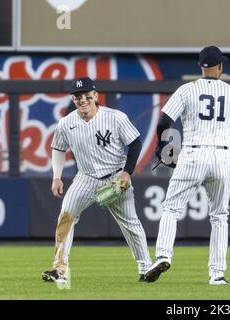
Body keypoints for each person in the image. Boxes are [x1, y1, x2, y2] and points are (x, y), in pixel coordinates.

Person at [144, 46, 230, 285]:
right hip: (221, 158)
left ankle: (163, 255)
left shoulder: (187, 90)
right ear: (220, 67)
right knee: (219, 216)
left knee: (171, 209)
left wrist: (162, 146)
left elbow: (164, 122)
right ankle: (217, 274)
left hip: (192, 154)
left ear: (201, 67)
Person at [42, 77, 152, 286]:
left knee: (130, 224)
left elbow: (135, 143)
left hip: (115, 177)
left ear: (96, 95)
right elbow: (58, 149)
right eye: (77, 96)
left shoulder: (115, 117)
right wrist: (56, 177)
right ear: (73, 99)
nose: (82, 99)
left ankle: (145, 266)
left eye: (86, 95)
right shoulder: (66, 123)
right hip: (86, 178)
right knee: (66, 216)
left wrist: (127, 173)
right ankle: (60, 269)